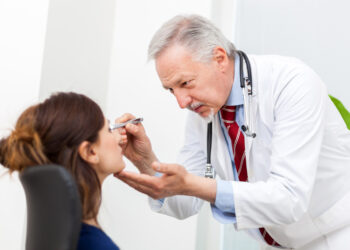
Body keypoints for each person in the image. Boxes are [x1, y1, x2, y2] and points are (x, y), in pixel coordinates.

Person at [115, 15, 350, 249]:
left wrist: (195, 185)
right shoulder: (203, 112)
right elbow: (185, 203)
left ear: (219, 59)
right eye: (171, 90)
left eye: (185, 83)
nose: (181, 102)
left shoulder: (291, 84)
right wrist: (145, 161)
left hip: (335, 235)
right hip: (279, 242)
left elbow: (289, 199)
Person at [0, 92, 123, 250]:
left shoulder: (62, 237)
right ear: (90, 152)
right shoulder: (95, 245)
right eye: (109, 129)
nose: (120, 137)